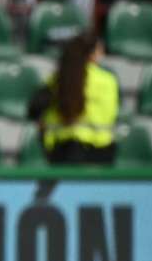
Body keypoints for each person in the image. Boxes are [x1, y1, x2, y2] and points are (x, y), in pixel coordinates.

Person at [28, 31, 118, 164]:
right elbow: (110, 114)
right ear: (93, 54)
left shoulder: (57, 78)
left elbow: (34, 110)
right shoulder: (107, 80)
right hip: (100, 149)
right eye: (100, 51)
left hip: (60, 149)